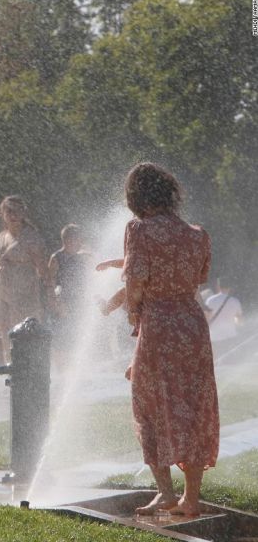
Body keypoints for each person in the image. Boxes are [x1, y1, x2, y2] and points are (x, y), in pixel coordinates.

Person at [120, 162, 217, 517]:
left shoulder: (139, 229)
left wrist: (132, 313)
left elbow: (135, 280)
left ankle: (164, 492)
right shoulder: (197, 233)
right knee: (192, 406)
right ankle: (190, 499)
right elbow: (200, 276)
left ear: (136, 197)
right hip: (192, 325)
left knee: (148, 406)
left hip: (158, 324)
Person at [0, 196, 53, 363]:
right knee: (7, 337)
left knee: (25, 336)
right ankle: (12, 375)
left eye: (17, 211)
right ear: (2, 214)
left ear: (23, 213)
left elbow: (42, 268)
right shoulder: (1, 238)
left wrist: (50, 293)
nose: (13, 215)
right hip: (4, 295)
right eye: (9, 211)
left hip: (25, 296)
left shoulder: (30, 238)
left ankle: (30, 373)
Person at [48, 224, 93, 364]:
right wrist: (56, 304)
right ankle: (61, 368)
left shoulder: (83, 257)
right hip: (64, 301)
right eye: (75, 239)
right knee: (62, 338)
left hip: (80, 301)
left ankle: (76, 366)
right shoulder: (57, 258)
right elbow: (50, 285)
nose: (78, 242)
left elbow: (92, 279)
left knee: (78, 335)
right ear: (66, 240)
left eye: (79, 239)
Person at [204, 277, 242, 358]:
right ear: (230, 288)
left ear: (218, 286)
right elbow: (240, 321)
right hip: (230, 336)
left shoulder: (210, 300)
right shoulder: (235, 301)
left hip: (215, 338)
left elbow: (206, 319)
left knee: (217, 364)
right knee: (231, 361)